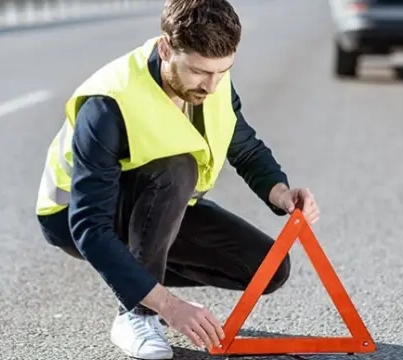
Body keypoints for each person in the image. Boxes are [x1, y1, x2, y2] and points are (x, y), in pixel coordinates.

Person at [35, 0, 320, 359]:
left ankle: (139, 283)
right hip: (73, 216)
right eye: (200, 72)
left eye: (223, 71)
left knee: (268, 269)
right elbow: (89, 226)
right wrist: (168, 305)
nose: (212, 86)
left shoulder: (212, 79)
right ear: (167, 48)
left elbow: (243, 144)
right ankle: (136, 314)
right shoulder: (109, 103)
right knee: (177, 169)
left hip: (158, 206)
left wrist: (281, 193)